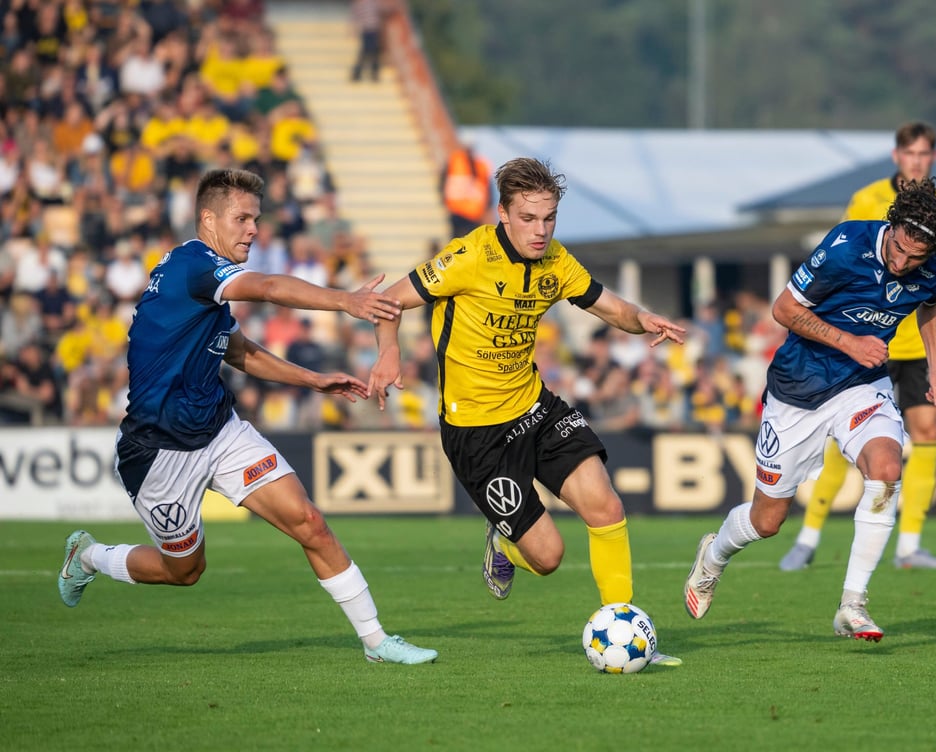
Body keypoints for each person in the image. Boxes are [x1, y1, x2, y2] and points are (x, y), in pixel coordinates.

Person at [58, 168, 437, 665]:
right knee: (185, 571)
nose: (253, 230)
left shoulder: (205, 288)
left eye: (256, 219)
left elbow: (238, 352)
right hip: (157, 452)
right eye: (241, 219)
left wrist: (313, 380)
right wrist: (346, 301)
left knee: (310, 522)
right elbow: (274, 287)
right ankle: (87, 556)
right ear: (207, 220)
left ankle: (376, 641)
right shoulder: (195, 266)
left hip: (220, 432)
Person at [368, 157, 687, 665]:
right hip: (476, 432)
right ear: (503, 215)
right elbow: (387, 301)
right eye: (529, 219)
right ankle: (504, 542)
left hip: (535, 407)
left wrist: (643, 318)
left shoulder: (556, 262)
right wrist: (389, 352)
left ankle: (627, 630)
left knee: (605, 506)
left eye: (549, 218)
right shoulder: (467, 256)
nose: (541, 231)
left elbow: (609, 307)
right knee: (549, 557)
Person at [684, 178, 936, 642]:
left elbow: (929, 308)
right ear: (891, 227)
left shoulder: (935, 270)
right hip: (798, 389)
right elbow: (784, 309)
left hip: (860, 386)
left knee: (887, 468)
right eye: (899, 250)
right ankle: (713, 558)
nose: (903, 263)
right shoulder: (846, 245)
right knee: (766, 521)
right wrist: (849, 341)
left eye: (915, 258)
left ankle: (852, 604)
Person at [779, 122, 936, 572]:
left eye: (925, 155)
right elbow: (842, 264)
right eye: (911, 154)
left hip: (917, 347)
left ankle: (909, 547)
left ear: (933, 159)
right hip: (867, 344)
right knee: (842, 438)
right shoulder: (866, 201)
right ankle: (808, 537)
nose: (918, 161)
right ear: (897, 157)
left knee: (926, 434)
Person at [441, 142, 494, 238]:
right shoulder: (455, 161)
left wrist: (487, 209)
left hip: (474, 213)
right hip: (458, 212)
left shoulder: (480, 165)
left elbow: (488, 191)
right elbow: (443, 183)